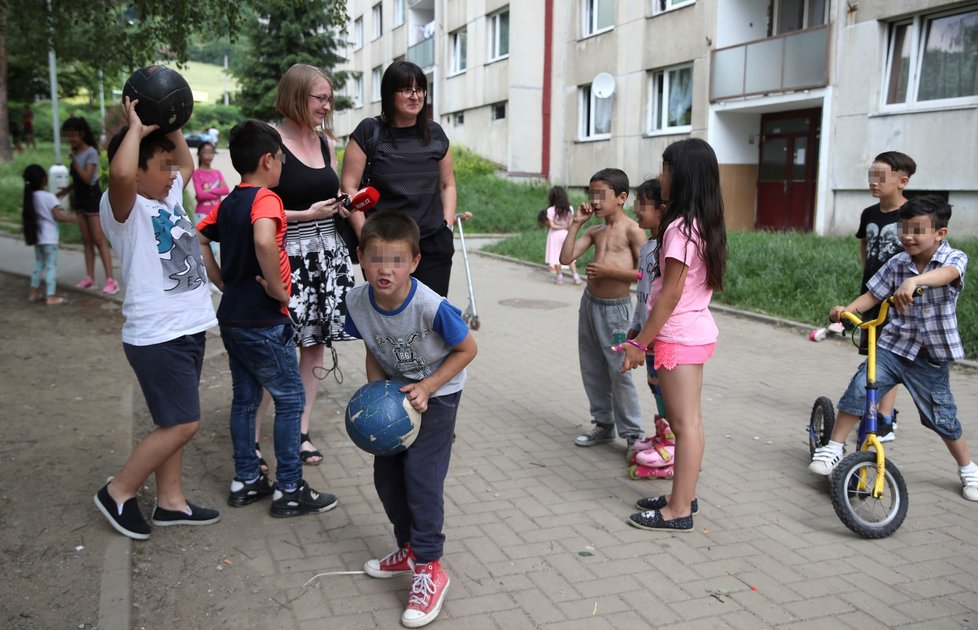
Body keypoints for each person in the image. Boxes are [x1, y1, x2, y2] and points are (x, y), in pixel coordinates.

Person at [196, 120, 338, 518]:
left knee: (245, 400)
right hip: (263, 318)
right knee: (290, 399)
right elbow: (263, 238)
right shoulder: (267, 199)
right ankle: (290, 488)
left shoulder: (229, 202)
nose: (282, 166)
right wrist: (279, 290)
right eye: (280, 159)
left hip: (233, 318)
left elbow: (200, 236)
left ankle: (246, 480)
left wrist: (221, 280)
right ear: (267, 160)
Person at [93, 97, 220, 540]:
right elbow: (122, 172)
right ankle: (118, 491)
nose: (174, 174)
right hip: (156, 335)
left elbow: (183, 161)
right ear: (140, 169)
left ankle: (171, 502)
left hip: (185, 328)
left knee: (173, 422)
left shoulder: (167, 196)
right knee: (185, 423)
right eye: (162, 166)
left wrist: (173, 123)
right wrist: (133, 128)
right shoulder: (124, 207)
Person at [344, 210, 477, 628]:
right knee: (388, 478)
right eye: (377, 258)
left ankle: (430, 568)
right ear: (361, 256)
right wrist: (375, 394)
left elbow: (467, 350)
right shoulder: (355, 301)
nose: (386, 269)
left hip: (438, 394)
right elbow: (372, 345)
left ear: (415, 262)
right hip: (395, 394)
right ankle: (408, 548)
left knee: (421, 477)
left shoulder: (430, 306)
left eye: (397, 260)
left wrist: (429, 387)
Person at [809, 195, 978, 502]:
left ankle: (967, 468)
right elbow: (872, 296)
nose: (908, 236)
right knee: (860, 389)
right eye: (904, 229)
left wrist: (915, 282)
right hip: (893, 347)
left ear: (940, 234)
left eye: (918, 229)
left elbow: (949, 275)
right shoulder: (897, 263)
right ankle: (833, 448)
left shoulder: (954, 259)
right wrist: (846, 312)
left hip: (931, 357)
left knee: (942, 417)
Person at [619, 138, 728, 533]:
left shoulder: (680, 228)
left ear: (681, 175)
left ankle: (678, 509)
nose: (661, 176)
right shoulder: (700, 221)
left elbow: (670, 294)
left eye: (666, 169)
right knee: (689, 422)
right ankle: (681, 495)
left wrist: (638, 343)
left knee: (684, 425)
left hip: (677, 335)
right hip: (691, 331)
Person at [268, 63, 354, 466]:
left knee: (314, 348)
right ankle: (256, 438)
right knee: (278, 347)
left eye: (329, 98)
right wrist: (304, 214)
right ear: (296, 96)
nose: (327, 105)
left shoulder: (325, 144)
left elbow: (331, 191)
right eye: (320, 97)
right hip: (288, 257)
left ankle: (301, 431)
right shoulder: (271, 142)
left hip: (327, 257)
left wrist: (345, 204)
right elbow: (256, 207)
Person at [341, 60, 458, 298]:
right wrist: (367, 236)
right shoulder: (369, 132)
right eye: (406, 89)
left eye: (420, 89)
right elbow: (349, 186)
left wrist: (447, 226)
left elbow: (447, 184)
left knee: (430, 321)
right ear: (389, 94)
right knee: (387, 321)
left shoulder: (435, 134)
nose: (415, 96)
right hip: (384, 247)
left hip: (432, 244)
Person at [559, 168, 647, 449]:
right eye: (591, 195)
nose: (594, 201)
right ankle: (604, 424)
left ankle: (633, 433)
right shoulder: (595, 231)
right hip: (590, 306)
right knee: (592, 367)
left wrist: (611, 272)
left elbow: (647, 274)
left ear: (622, 197)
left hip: (616, 312)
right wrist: (576, 224)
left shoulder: (633, 231)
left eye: (601, 195)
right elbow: (565, 258)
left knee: (619, 370)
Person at [854, 151, 917, 442]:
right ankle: (877, 411)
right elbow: (865, 247)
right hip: (872, 294)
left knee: (888, 355)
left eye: (881, 177)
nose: (874, 182)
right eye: (871, 176)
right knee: (873, 353)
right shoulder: (869, 213)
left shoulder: (912, 215)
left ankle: (885, 418)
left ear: (902, 181)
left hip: (900, 300)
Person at [625, 179, 671, 465]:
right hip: (646, 334)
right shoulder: (647, 248)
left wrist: (647, 333)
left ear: (662, 210)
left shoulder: (666, 249)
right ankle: (662, 435)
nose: (636, 209)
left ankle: (674, 443)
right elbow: (643, 294)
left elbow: (666, 297)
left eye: (642, 204)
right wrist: (635, 326)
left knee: (668, 391)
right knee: (655, 387)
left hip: (661, 336)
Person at [60, 116, 119, 295]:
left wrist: (75, 161)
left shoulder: (91, 152)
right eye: (68, 136)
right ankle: (90, 278)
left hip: (92, 198)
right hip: (79, 198)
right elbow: (77, 179)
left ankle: (111, 280)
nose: (70, 139)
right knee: (86, 240)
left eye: (73, 135)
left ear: (82, 133)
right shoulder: (76, 152)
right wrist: (66, 190)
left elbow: (87, 178)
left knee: (99, 240)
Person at [22, 164, 77, 305]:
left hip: (38, 238)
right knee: (51, 266)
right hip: (50, 238)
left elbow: (50, 199)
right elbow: (58, 216)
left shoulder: (31, 197)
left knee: (39, 264)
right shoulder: (48, 197)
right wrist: (74, 219)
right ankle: (50, 296)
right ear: (43, 180)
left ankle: (33, 293)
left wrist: (67, 190)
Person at [543, 185, 581, 285]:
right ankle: (576, 277)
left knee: (556, 256)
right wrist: (565, 227)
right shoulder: (570, 209)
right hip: (566, 235)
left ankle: (559, 278)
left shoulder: (550, 210)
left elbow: (552, 225)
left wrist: (559, 226)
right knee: (569, 256)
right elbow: (570, 224)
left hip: (554, 235)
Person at [191, 141, 229, 218]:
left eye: (211, 152)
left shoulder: (217, 173)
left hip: (217, 213)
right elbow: (201, 195)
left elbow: (226, 190)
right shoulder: (197, 173)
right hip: (202, 214)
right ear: (199, 154)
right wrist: (217, 194)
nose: (209, 155)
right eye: (205, 152)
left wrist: (210, 191)